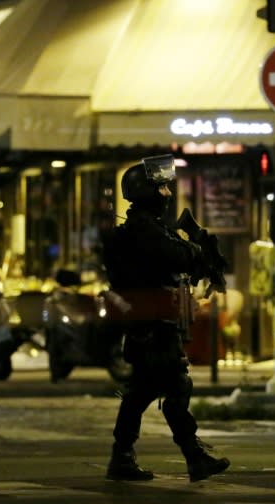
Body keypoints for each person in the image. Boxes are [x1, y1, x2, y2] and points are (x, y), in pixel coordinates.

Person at [101, 155, 230, 483]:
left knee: (141, 391)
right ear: (147, 192)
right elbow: (178, 256)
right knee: (176, 386)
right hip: (154, 324)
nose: (168, 194)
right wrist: (200, 251)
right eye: (161, 188)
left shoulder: (147, 228)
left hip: (151, 321)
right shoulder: (144, 232)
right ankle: (193, 456)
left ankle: (123, 456)